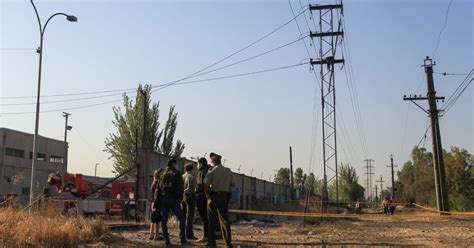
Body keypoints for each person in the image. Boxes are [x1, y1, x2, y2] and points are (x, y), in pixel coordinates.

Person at [204, 152, 235, 247]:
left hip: (213, 197)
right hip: (224, 197)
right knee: (225, 220)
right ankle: (228, 242)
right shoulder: (228, 171)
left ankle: (212, 242)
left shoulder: (211, 171)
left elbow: (205, 184)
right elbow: (233, 184)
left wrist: (208, 196)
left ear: (213, 162)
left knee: (211, 220)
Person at [157, 159, 187, 245]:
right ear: (173, 164)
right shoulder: (177, 173)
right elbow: (180, 186)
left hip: (163, 199)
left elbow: (158, 188)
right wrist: (180, 198)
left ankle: (166, 239)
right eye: (176, 164)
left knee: (164, 220)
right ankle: (182, 238)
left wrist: (157, 200)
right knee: (181, 218)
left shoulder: (162, 174)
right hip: (174, 200)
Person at [195, 158, 210, 243]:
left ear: (200, 164)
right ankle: (208, 235)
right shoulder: (209, 170)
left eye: (198, 164)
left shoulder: (202, 172)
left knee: (204, 217)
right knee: (207, 217)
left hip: (202, 196)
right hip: (208, 197)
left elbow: (201, 185)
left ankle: (206, 236)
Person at [182, 163, 197, 240]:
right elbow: (195, 188)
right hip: (190, 197)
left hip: (183, 196)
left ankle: (182, 233)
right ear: (192, 169)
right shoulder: (192, 177)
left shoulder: (183, 176)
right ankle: (189, 234)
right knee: (190, 216)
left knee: (183, 215)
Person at [150, 169, 163, 240]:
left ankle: (151, 234)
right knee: (157, 220)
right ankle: (156, 235)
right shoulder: (158, 183)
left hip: (153, 202)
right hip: (157, 202)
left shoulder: (153, 183)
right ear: (158, 174)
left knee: (153, 219)